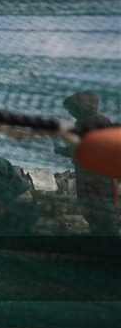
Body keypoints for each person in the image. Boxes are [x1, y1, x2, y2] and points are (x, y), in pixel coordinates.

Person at [55, 92, 120, 235]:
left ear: (85, 106)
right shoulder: (80, 124)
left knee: (104, 205)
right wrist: (67, 150)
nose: (70, 112)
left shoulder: (99, 120)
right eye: (69, 109)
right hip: (83, 172)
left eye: (73, 108)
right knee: (88, 206)